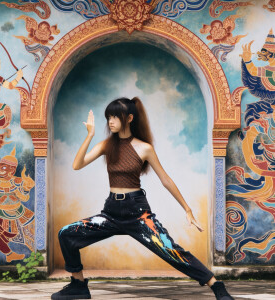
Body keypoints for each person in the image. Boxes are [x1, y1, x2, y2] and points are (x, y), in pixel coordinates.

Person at [51, 97, 235, 300]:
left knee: (170, 250)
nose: (110, 121)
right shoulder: (106, 145)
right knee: (66, 234)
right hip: (111, 212)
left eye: (115, 116)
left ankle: (215, 285)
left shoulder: (144, 148)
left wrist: (187, 209)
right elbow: (77, 164)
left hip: (137, 213)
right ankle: (78, 285)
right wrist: (90, 136)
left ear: (129, 118)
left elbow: (165, 179)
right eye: (108, 117)